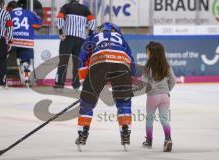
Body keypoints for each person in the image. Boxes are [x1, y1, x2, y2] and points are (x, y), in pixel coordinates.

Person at [75, 22, 136, 151]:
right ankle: (125, 131)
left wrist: (84, 82)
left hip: (99, 62)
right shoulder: (120, 37)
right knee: (123, 101)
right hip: (121, 63)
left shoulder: (94, 35)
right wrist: (130, 76)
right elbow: (131, 58)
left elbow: (82, 56)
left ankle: (83, 133)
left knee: (87, 101)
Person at [141, 42, 176, 152]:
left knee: (149, 118)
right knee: (164, 119)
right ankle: (168, 138)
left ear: (152, 54)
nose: (147, 54)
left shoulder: (148, 66)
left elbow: (143, 82)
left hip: (153, 96)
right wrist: (167, 90)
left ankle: (149, 141)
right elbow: (173, 80)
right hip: (165, 96)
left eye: (147, 52)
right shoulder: (167, 65)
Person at [54, 0, 96, 89]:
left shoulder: (66, 7)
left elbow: (59, 18)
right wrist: (89, 34)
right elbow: (92, 21)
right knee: (77, 63)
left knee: (63, 62)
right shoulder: (85, 9)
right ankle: (76, 84)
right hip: (81, 40)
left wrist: (61, 32)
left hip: (67, 38)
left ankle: (59, 84)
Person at [7, 0, 42, 86]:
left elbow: (4, 27)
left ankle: (1, 79)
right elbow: (38, 25)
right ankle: (26, 80)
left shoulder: (9, 14)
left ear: (11, 8)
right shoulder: (29, 13)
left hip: (13, 40)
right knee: (25, 62)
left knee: (2, 58)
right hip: (26, 41)